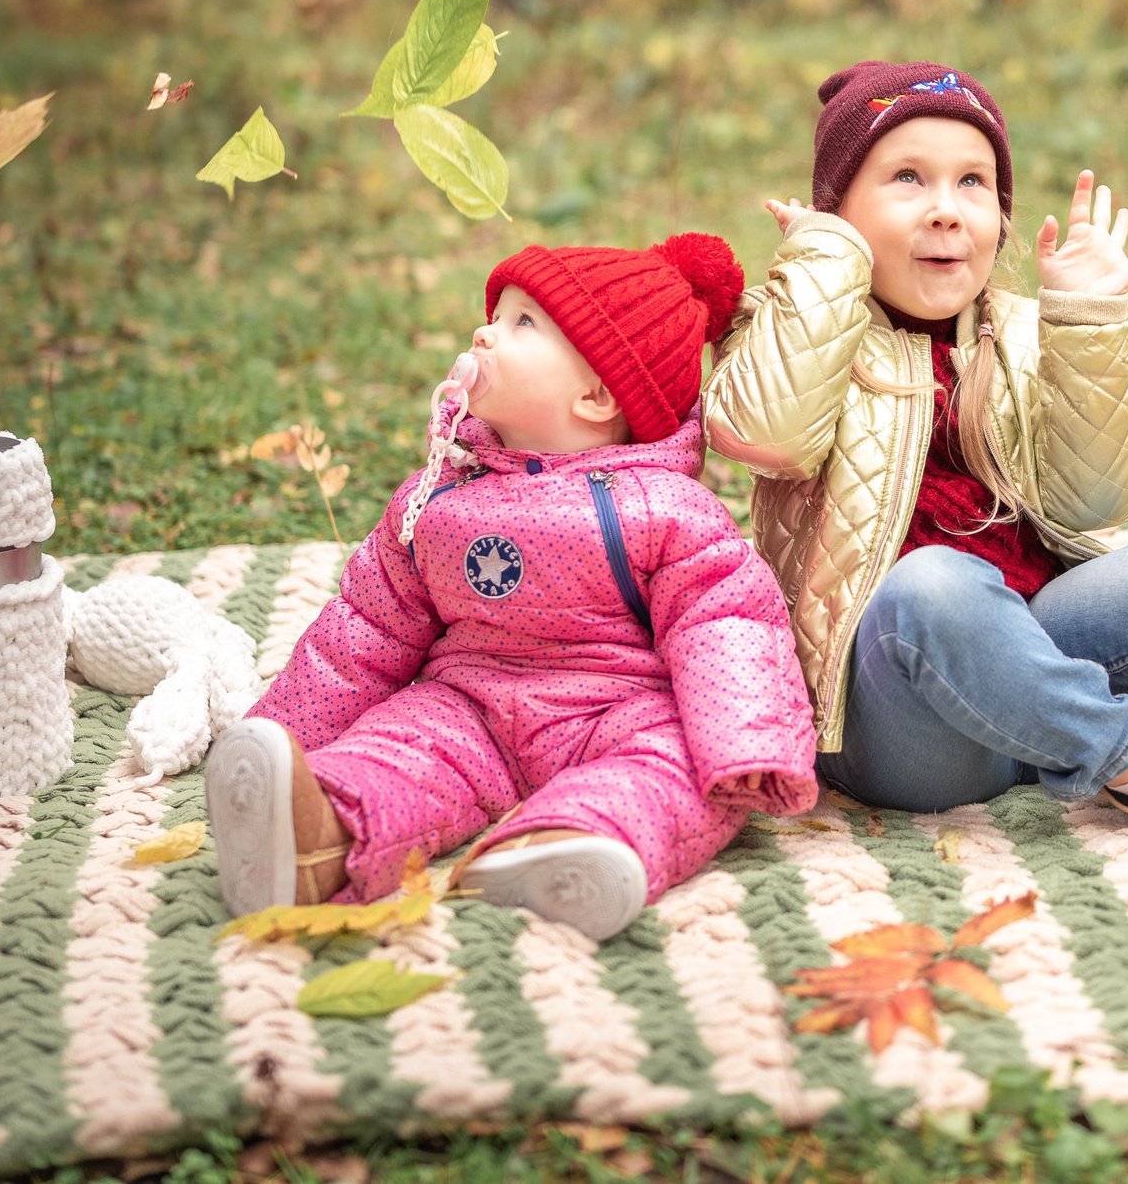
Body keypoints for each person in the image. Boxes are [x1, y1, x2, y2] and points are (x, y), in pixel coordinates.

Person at [704, 61, 1128, 824]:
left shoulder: (1017, 332)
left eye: (972, 182)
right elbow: (764, 434)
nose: (946, 210)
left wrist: (1084, 324)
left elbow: (1094, 500)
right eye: (908, 177)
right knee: (936, 583)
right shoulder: (788, 325)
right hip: (899, 721)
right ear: (837, 209)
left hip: (1035, 668)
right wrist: (825, 265)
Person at [206, 234, 816, 941]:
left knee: (675, 764)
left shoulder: (661, 509)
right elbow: (366, 628)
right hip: (469, 708)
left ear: (596, 394)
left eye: (523, 322)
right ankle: (315, 830)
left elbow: (727, 622)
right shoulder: (439, 496)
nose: (484, 332)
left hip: (612, 709)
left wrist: (748, 747)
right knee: (397, 745)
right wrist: (286, 732)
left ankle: (575, 838)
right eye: (497, 315)